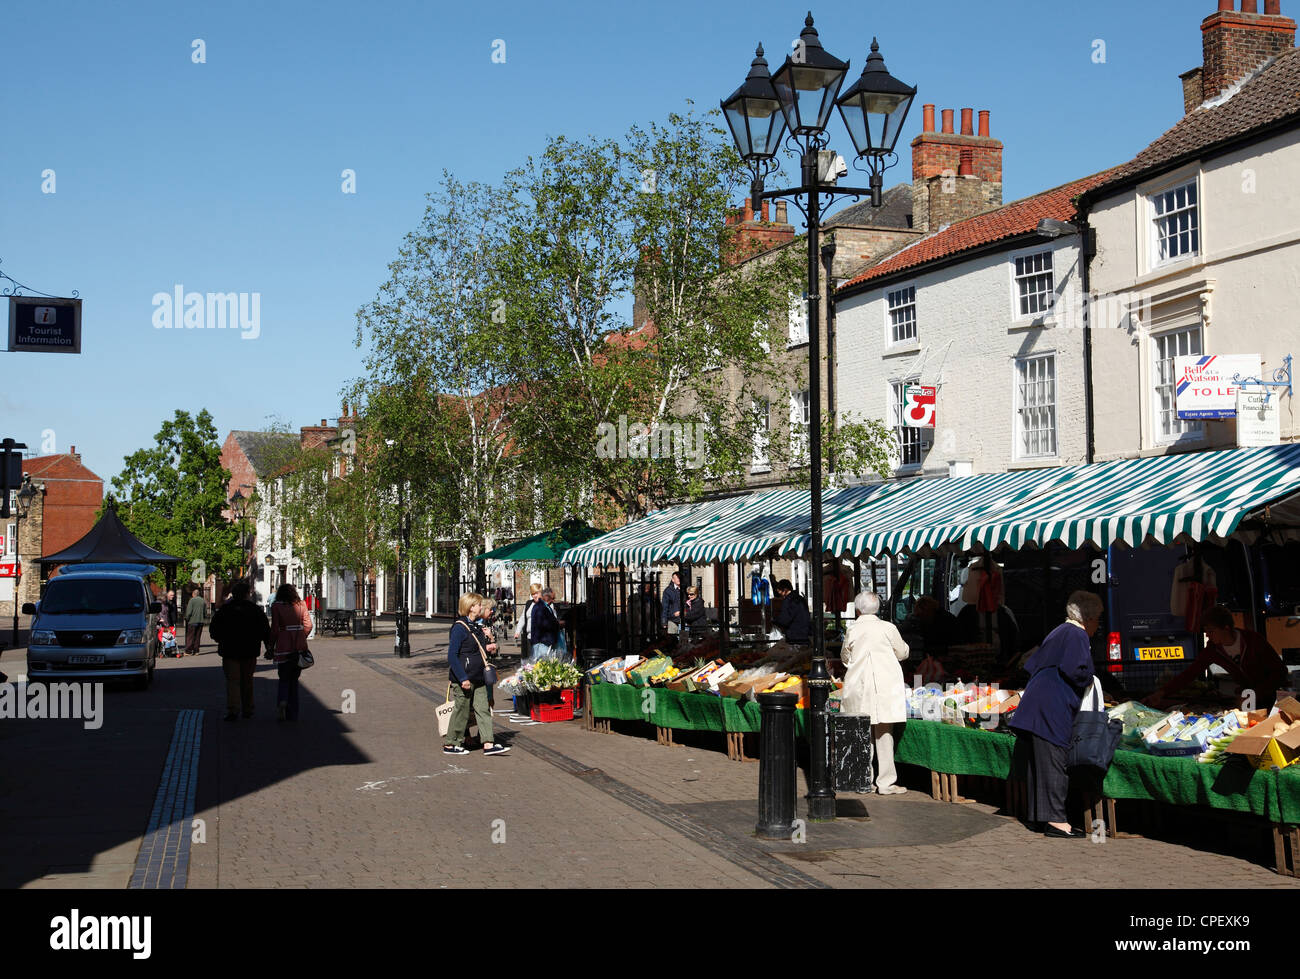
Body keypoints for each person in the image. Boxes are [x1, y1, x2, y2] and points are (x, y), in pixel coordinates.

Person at [1008, 590, 1103, 838]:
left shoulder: (1059, 630)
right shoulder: (1077, 634)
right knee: (1054, 761)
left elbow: (1032, 663)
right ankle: (1056, 821)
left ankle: (1040, 818)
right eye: (1098, 618)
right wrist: (1090, 679)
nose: (1098, 624)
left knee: (1039, 763)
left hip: (1037, 701)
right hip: (1053, 705)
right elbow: (1076, 669)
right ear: (1088, 617)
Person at [839, 590, 911, 794]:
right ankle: (886, 783)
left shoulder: (853, 629)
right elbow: (902, 652)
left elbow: (845, 657)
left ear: (858, 609)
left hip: (859, 686)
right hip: (884, 686)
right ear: (878, 608)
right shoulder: (888, 627)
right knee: (884, 733)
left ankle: (863, 781)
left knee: (862, 733)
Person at [1151, 604, 1288, 709]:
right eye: (1206, 631)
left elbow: (1280, 672)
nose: (1208, 635)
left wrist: (1256, 692)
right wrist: (1162, 692)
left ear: (1226, 628)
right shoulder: (1213, 649)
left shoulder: (1253, 640)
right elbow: (1190, 673)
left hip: (1270, 697)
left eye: (1211, 631)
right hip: (1246, 697)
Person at [445, 592, 509, 756]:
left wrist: (489, 640)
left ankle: (488, 743)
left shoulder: (476, 627)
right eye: (479, 604)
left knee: (483, 709)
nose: (482, 607)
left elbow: (479, 651)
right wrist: (462, 678)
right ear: (471, 607)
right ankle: (451, 743)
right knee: (462, 710)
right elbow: (452, 655)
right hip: (464, 677)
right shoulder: (459, 627)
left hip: (479, 676)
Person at [208, 578, 270, 721]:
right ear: (247, 594)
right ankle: (247, 709)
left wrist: (219, 639)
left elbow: (214, 628)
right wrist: (268, 647)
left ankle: (233, 709)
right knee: (247, 681)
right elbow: (265, 630)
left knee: (232, 681)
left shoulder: (225, 610)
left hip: (230, 651)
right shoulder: (255, 610)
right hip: (249, 651)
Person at [268, 583, 312, 722]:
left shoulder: (276, 606)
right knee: (294, 679)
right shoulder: (301, 604)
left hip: (283, 644)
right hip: (298, 645)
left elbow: (275, 629)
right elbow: (309, 625)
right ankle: (293, 712)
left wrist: (271, 645)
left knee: (283, 677)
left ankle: (282, 701)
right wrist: (301, 635)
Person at [773, 579, 811, 645]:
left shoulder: (788, 601)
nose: (780, 596)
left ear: (785, 590)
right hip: (805, 635)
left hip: (794, 637)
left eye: (780, 593)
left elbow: (784, 620)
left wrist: (775, 621)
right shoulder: (801, 598)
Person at [529, 587, 562, 662]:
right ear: (546, 597)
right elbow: (543, 624)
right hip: (542, 643)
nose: (553, 601)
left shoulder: (544, 607)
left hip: (544, 642)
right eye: (552, 598)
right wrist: (558, 624)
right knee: (543, 666)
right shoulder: (540, 607)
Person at [514, 582, 542, 652]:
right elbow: (523, 618)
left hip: (542, 639)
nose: (534, 596)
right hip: (529, 637)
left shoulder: (546, 604)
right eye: (532, 594)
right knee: (530, 660)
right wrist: (517, 631)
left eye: (536, 593)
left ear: (541, 592)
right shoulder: (529, 604)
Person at [183, 587, 207, 656]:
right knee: (197, 636)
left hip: (192, 621)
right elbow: (205, 612)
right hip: (200, 621)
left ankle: (188, 651)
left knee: (190, 636)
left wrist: (187, 618)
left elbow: (189, 612)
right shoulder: (203, 601)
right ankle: (196, 650)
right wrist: (203, 617)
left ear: (193, 594)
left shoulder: (192, 600)